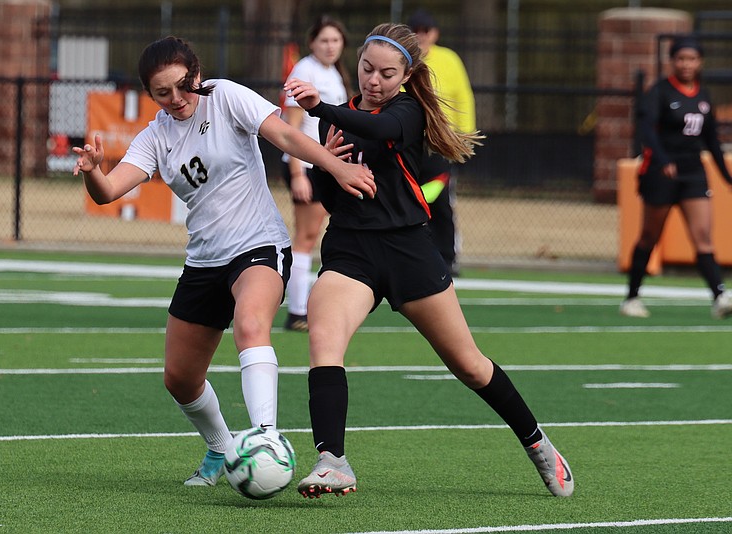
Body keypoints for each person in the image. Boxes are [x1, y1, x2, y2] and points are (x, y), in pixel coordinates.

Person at [284, 23, 573, 499]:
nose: (374, 80)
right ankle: (332, 460)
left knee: (469, 365)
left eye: (386, 73)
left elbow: (379, 128)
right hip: (352, 248)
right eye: (366, 69)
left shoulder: (407, 111)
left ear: (406, 76)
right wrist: (326, 166)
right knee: (323, 340)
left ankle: (537, 442)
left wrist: (319, 108)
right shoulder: (337, 117)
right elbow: (330, 199)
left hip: (409, 251)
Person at [72, 36, 375, 488]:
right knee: (179, 378)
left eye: (181, 86)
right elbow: (109, 191)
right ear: (149, 94)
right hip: (204, 259)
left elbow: (286, 135)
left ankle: (267, 440)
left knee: (251, 325)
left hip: (258, 245)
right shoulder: (155, 136)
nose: (175, 99)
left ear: (196, 74)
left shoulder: (227, 97)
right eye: (162, 92)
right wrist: (94, 170)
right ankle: (219, 446)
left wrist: (336, 167)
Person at [621, 35, 732, 319]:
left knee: (703, 236)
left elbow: (712, 142)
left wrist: (727, 178)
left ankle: (720, 296)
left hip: (693, 172)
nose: (686, 64)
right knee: (649, 236)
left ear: (700, 62)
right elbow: (646, 130)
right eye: (681, 58)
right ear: (673, 61)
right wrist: (663, 160)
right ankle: (632, 297)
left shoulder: (703, 96)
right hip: (661, 173)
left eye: (692, 59)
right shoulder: (660, 92)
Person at [281, 15, 352, 332]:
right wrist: (297, 173)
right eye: (324, 40)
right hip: (307, 165)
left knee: (319, 236)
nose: (330, 46)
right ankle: (297, 312)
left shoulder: (333, 73)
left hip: (324, 165)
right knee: (306, 238)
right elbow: (290, 126)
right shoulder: (305, 70)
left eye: (335, 41)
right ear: (312, 43)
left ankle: (310, 307)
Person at [407, 9, 477, 276]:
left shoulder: (449, 60)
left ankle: (447, 258)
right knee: (407, 200)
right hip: (408, 144)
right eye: (416, 31)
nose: (422, 36)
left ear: (434, 33)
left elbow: (462, 97)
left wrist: (464, 135)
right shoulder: (403, 58)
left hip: (439, 144)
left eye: (426, 31)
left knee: (439, 202)